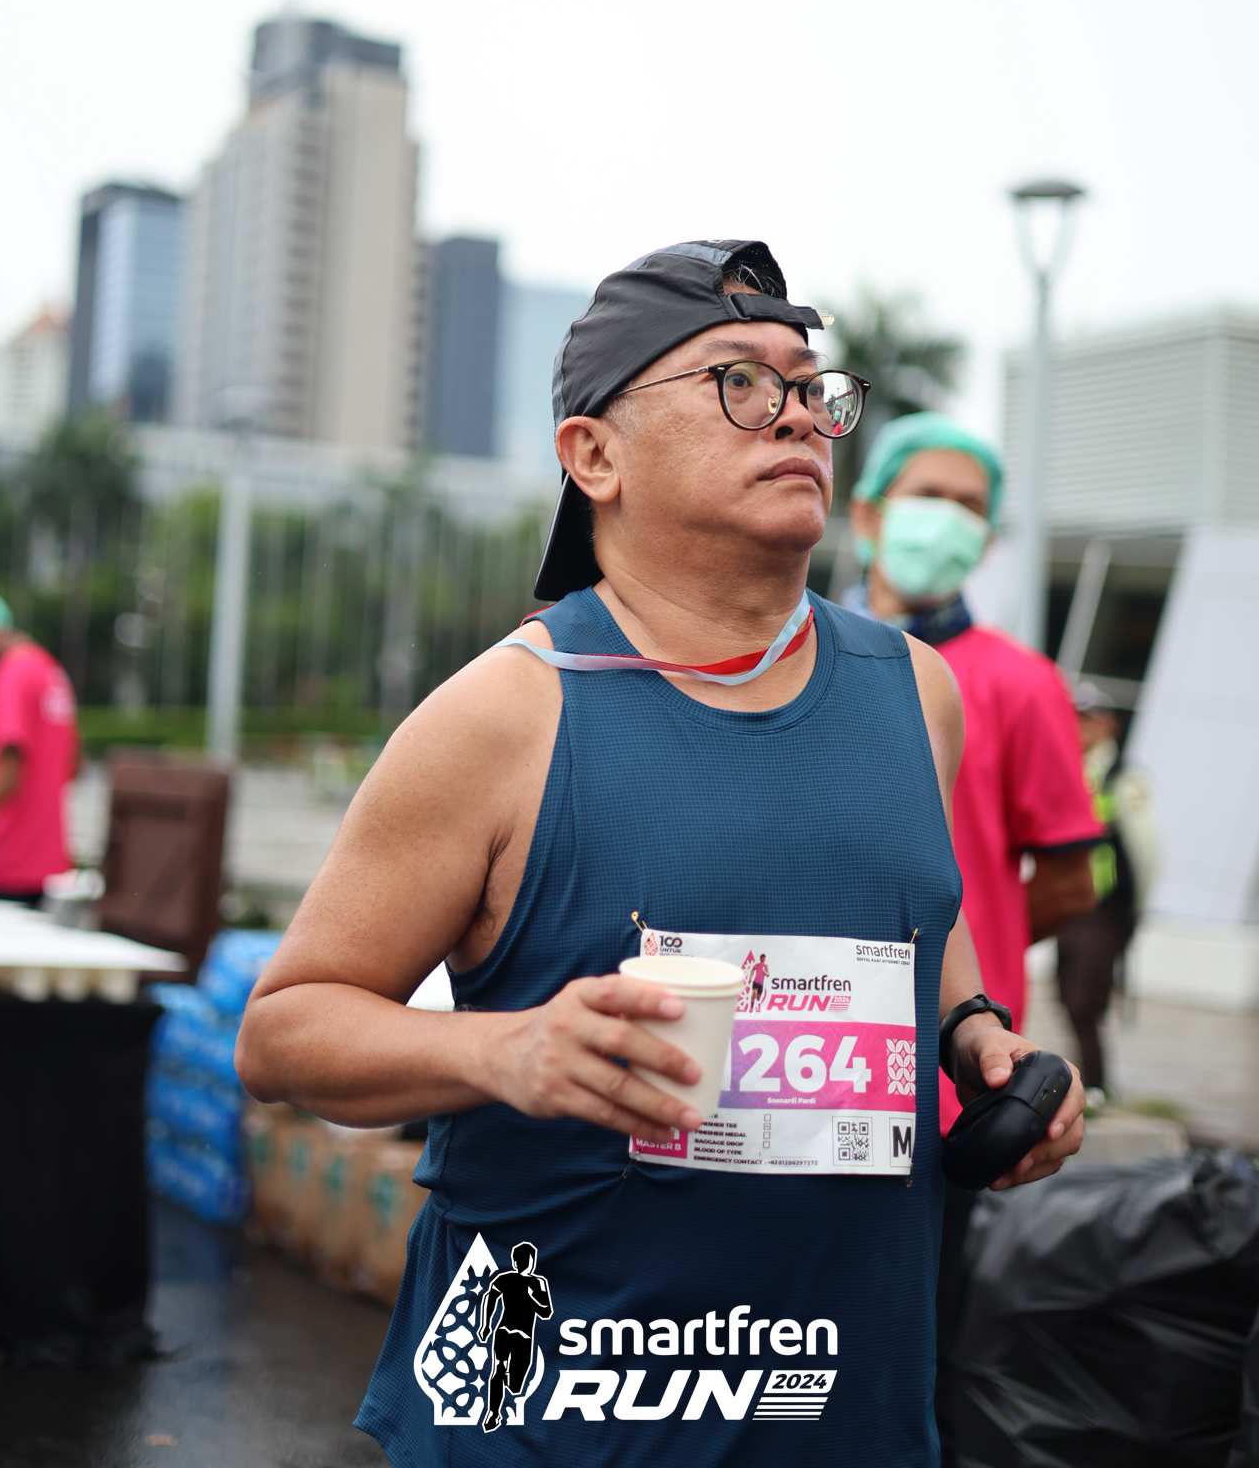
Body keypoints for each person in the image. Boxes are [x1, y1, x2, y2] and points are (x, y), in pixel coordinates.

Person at [237, 240, 1082, 1467]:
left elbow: (913, 908)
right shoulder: (506, 716)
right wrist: (503, 1050)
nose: (794, 413)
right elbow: (283, 1034)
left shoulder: (914, 691)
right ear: (594, 456)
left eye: (808, 386)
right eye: (737, 381)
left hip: (845, 1410)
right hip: (559, 1421)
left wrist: (971, 1033)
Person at [846, 413, 1098, 1463]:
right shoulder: (795, 659)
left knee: (918, 1351)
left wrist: (960, 961)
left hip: (954, 1077)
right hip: (812, 1059)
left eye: (966, 507)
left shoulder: (1021, 683)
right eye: (925, 496)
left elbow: (1071, 879)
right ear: (867, 515)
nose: (943, 520)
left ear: (987, 539)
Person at [1056, 682, 1162, 1100]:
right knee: (1066, 992)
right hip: (1069, 905)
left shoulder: (1123, 779)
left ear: (1109, 726)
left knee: (1085, 997)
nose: (1080, 729)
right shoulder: (1070, 770)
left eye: (1089, 720)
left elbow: (1146, 851)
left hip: (1103, 909)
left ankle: (1096, 1085)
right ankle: (1085, 1080)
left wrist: (1133, 913)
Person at [0, 588, 79, 905]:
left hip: (1, 861)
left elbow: (8, 775)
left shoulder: (10, 675)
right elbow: (75, 763)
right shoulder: (49, 669)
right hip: (40, 860)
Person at [479, 1241, 554, 1433]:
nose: (526, 1263)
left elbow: (546, 1312)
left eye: (528, 1259)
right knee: (498, 1368)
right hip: (505, 1331)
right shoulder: (505, 1279)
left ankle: (507, 1382)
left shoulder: (538, 1282)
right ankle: (493, 1413)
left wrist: (531, 1298)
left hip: (524, 1337)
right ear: (515, 1261)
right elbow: (490, 1297)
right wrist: (485, 1324)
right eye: (522, 1259)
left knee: (515, 1384)